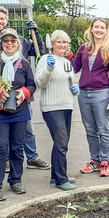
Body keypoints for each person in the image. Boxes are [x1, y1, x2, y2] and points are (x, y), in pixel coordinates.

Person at [0, 6, 49, 171]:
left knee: (26, 128)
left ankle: (32, 157)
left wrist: (35, 33)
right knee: (2, 132)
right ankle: (7, 160)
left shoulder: (20, 39)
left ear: (6, 20)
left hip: (19, 95)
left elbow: (39, 51)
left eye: (2, 18)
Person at [0, 28, 36, 201]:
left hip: (20, 111)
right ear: (1, 43)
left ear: (18, 43)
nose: (9, 43)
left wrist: (24, 92)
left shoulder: (23, 63)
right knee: (0, 147)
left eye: (13, 40)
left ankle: (15, 180)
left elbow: (32, 85)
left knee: (17, 147)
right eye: (6, 41)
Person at [35, 30, 79, 190]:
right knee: (61, 143)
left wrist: (76, 89)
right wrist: (48, 69)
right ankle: (61, 179)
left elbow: (71, 82)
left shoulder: (67, 62)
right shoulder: (46, 59)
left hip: (67, 105)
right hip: (52, 108)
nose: (62, 45)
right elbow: (40, 83)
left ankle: (55, 175)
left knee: (62, 142)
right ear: (52, 44)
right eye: (59, 42)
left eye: (65, 42)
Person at [74, 19, 109, 177]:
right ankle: (94, 161)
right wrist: (63, 59)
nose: (99, 30)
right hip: (84, 94)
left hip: (102, 93)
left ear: (106, 31)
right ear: (91, 29)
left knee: (103, 129)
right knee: (90, 130)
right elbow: (74, 67)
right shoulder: (83, 49)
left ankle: (105, 162)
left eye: (102, 27)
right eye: (96, 27)